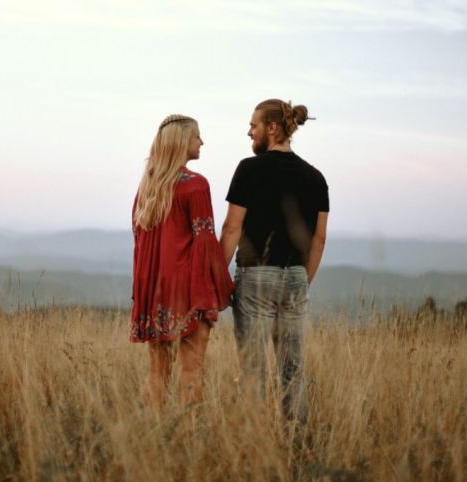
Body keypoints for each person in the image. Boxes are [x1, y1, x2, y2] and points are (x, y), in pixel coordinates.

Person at [219, 99, 329, 420]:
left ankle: (254, 451)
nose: (249, 132)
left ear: (272, 127)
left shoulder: (249, 169)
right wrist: (302, 280)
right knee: (292, 368)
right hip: (296, 277)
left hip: (256, 277)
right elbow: (319, 239)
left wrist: (215, 278)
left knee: (253, 368)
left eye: (253, 125)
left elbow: (231, 228)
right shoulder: (316, 177)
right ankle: (296, 445)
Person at [131, 114, 234, 410]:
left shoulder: (147, 189)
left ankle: (153, 436)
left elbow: (140, 245)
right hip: (188, 288)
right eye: (197, 136)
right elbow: (205, 242)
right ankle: (188, 441)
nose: (202, 141)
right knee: (192, 371)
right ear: (182, 142)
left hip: (154, 288)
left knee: (156, 372)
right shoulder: (195, 185)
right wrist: (218, 287)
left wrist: (143, 291)